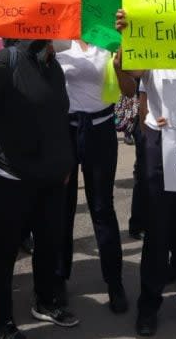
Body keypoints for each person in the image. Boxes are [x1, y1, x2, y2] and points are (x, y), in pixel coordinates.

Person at [0, 26, 78, 339]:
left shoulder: (51, 64)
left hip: (50, 177)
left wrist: (65, 162)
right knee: (4, 252)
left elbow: (57, 116)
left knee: (49, 242)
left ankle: (44, 301)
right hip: (8, 176)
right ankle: (3, 322)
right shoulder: (5, 59)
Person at [114, 10, 176, 338]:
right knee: (157, 229)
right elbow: (130, 87)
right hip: (159, 139)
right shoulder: (150, 40)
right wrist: (127, 42)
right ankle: (149, 304)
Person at [54, 40, 135, 313]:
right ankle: (58, 278)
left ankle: (114, 282)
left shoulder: (109, 38)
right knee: (62, 207)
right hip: (64, 131)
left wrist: (119, 65)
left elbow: (130, 90)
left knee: (102, 207)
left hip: (100, 131)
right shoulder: (58, 39)